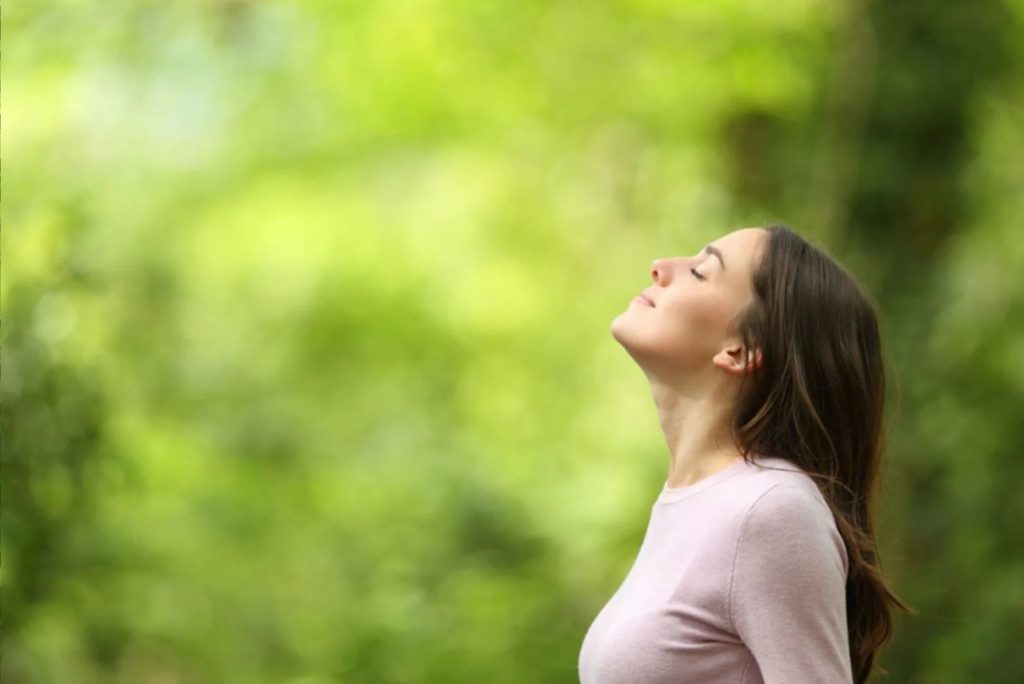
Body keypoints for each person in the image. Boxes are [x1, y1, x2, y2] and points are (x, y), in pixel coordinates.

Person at [577, 225, 914, 684]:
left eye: (700, 272)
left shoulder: (770, 510)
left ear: (741, 350)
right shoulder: (700, 504)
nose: (660, 268)